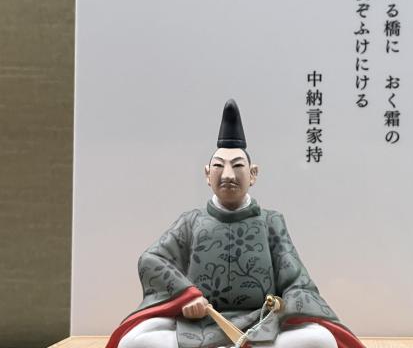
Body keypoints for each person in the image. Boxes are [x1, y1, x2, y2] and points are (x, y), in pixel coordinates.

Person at [106, 100, 364, 348]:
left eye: (237, 166)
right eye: (219, 166)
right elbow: (151, 260)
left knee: (321, 340)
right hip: (199, 323)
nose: (228, 175)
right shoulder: (191, 221)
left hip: (260, 323)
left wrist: (283, 306)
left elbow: (296, 279)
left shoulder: (271, 221)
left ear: (253, 174)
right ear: (207, 174)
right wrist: (186, 295)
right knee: (133, 340)